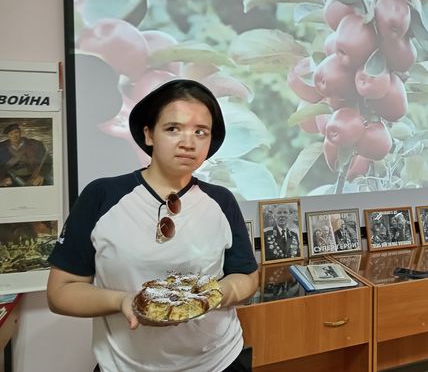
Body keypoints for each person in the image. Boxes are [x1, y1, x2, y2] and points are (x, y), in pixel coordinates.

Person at [46, 79, 259, 372]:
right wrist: (124, 302)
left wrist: (211, 296)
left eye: (201, 132)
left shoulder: (221, 200)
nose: (188, 142)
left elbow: (246, 276)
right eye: (173, 129)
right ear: (148, 134)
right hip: (126, 366)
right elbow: (61, 292)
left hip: (218, 361)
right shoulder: (102, 195)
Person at [0, 123, 51, 187]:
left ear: (20, 132)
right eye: (11, 134)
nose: (14, 136)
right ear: (8, 136)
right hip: (9, 178)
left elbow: (48, 160)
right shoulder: (2, 147)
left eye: (16, 132)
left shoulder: (35, 144)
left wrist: (41, 175)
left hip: (33, 176)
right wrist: (1, 180)